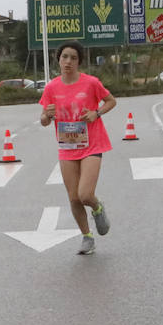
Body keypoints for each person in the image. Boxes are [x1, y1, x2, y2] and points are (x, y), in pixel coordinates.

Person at [39, 41, 116, 255]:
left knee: (85, 194)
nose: (68, 62)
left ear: (79, 61)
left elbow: (111, 101)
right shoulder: (52, 87)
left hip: (92, 143)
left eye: (73, 58)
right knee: (73, 197)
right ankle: (87, 237)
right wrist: (47, 115)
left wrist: (96, 113)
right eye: (65, 57)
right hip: (67, 146)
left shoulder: (91, 83)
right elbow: (44, 120)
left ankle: (98, 208)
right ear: (59, 60)